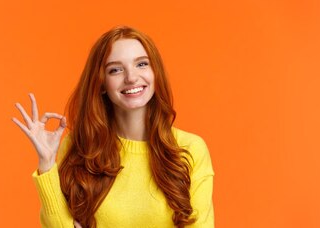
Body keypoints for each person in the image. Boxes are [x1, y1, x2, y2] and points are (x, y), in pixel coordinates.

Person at [12, 26, 214, 228]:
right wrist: (47, 163)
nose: (131, 77)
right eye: (115, 69)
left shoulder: (190, 149)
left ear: (155, 73)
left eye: (142, 64)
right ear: (101, 83)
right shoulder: (79, 147)